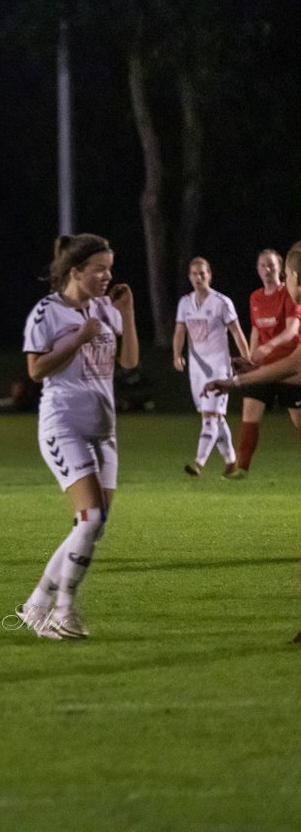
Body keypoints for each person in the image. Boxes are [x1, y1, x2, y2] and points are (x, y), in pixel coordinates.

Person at [17, 233, 138, 640]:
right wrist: (79, 338)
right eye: (99, 268)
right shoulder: (46, 313)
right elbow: (36, 371)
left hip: (104, 431)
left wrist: (128, 311)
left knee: (94, 526)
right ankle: (64, 610)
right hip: (63, 423)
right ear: (76, 271)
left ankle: (36, 603)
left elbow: (130, 361)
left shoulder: (105, 306)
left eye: (110, 267)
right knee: (90, 518)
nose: (108, 275)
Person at [204, 241, 301, 645]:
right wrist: (245, 376)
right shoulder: (259, 299)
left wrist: (240, 377)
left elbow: (296, 362)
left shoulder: (294, 305)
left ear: (291, 276)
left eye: (287, 273)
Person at [171, 257, 251, 477]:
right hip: (196, 369)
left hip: (218, 368)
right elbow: (180, 331)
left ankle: (199, 462)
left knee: (209, 416)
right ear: (189, 277)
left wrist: (247, 360)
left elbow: (237, 332)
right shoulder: (185, 303)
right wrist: (177, 354)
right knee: (216, 417)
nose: (199, 277)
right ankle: (231, 461)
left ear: (210, 275)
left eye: (203, 273)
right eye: (195, 273)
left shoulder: (221, 302)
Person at [232, 249, 301, 474]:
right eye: (262, 265)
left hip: (289, 367)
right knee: (250, 411)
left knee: (298, 421)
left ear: (281, 268)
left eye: (271, 265)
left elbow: (292, 330)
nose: (267, 270)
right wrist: (252, 357)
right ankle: (241, 468)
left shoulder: (289, 294)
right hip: (263, 367)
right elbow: (256, 329)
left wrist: (270, 346)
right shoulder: (255, 297)